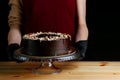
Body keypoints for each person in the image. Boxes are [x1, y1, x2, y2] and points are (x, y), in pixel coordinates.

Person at [7, 0, 89, 61]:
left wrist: (81, 44)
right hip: (31, 62)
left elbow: (81, 24)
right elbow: (15, 26)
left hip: (67, 62)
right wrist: (13, 46)